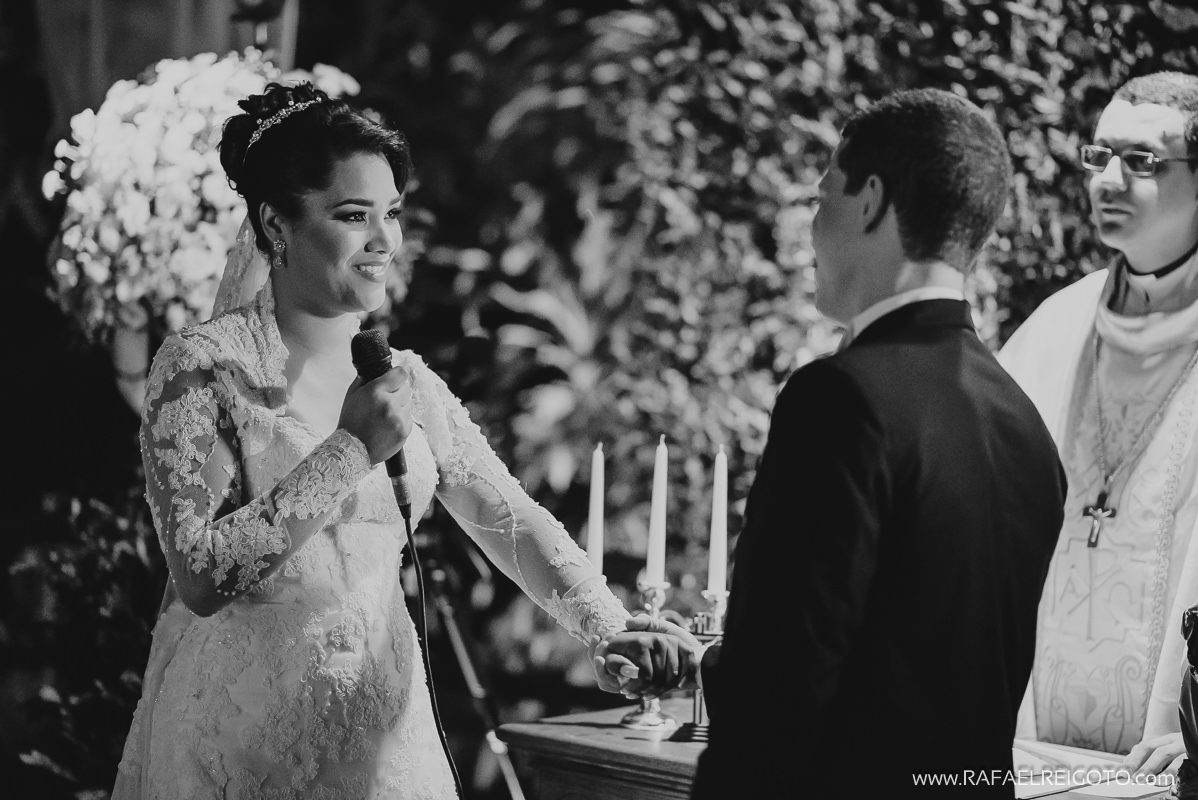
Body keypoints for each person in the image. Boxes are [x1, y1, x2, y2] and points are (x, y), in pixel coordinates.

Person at [111, 81, 687, 799]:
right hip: (242, 750)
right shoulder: (203, 369)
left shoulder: (405, 380)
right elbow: (199, 574)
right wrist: (349, 450)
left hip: (388, 748)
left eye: (391, 213)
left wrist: (607, 626)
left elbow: (507, 516)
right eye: (354, 215)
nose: (385, 241)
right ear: (276, 224)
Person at [603, 88, 1068, 797]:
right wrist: (705, 664)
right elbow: (910, 665)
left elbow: (778, 693)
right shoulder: (1024, 424)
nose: (811, 229)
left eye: (824, 198)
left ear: (871, 200)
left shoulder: (839, 398)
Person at [999, 71, 1198, 778]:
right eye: (1099, 156)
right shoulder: (1058, 325)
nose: (1109, 180)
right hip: (1030, 747)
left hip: (1174, 758)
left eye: (1142, 160)